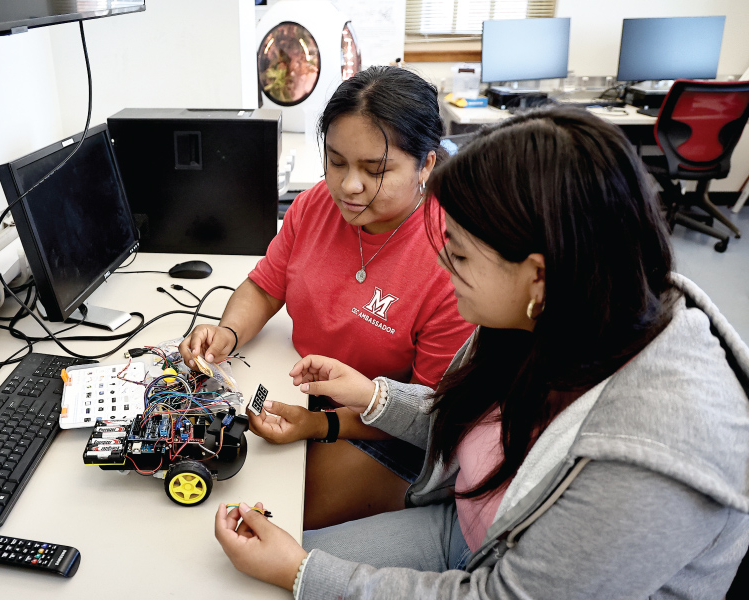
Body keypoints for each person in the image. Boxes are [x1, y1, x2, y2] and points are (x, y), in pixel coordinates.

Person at [212, 106, 749, 599]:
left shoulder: (652, 455)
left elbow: (502, 595)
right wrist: (373, 396)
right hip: (468, 527)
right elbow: (470, 421)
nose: (442, 266)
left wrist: (302, 572)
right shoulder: (547, 314)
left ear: (537, 275)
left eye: (462, 255)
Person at [180, 66, 474, 529]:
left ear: (426, 166)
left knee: (264, 518)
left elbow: (426, 415)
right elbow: (264, 286)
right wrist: (227, 334)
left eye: (375, 171)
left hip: (389, 434)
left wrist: (322, 425)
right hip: (301, 394)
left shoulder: (453, 258)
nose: (349, 186)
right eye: (336, 162)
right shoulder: (317, 203)